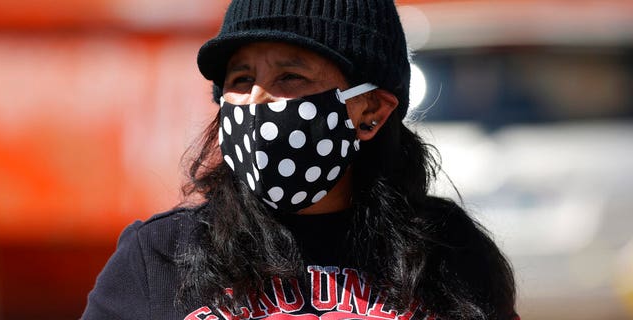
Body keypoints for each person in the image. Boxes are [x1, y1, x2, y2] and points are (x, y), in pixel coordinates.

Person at [83, 0, 519, 319]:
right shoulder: (158, 259)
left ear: (370, 111)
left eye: (289, 77)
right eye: (241, 78)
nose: (256, 100)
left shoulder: (451, 259)